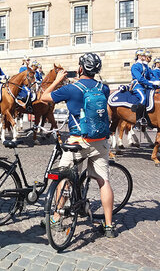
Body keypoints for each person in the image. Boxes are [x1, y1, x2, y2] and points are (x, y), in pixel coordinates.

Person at [41, 52, 117, 238]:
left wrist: (58, 80)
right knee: (103, 181)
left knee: (63, 177)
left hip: (78, 140)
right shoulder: (104, 88)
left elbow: (44, 97)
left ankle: (56, 218)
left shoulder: (72, 89)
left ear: (80, 68)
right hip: (100, 141)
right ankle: (109, 227)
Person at [130, 49, 159, 129]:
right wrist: (151, 83)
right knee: (143, 98)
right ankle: (138, 120)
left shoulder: (144, 66)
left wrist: (156, 82)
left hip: (144, 86)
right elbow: (140, 78)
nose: (145, 57)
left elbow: (149, 77)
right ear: (138, 56)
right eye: (143, 55)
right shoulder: (135, 66)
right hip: (138, 86)